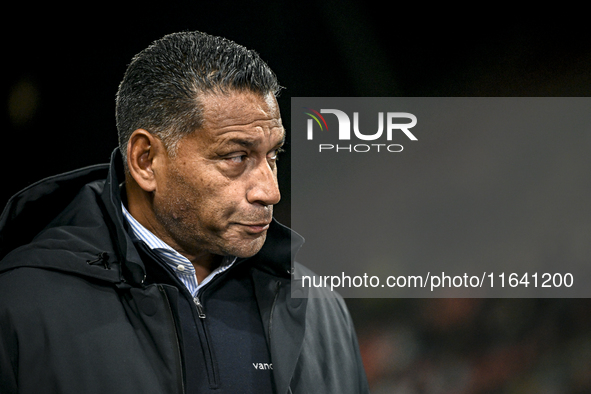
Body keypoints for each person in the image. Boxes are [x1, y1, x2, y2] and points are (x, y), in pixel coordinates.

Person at [0, 31, 369, 394]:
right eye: (236, 157)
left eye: (272, 156)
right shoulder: (20, 304)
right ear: (146, 160)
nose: (270, 191)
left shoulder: (319, 308)